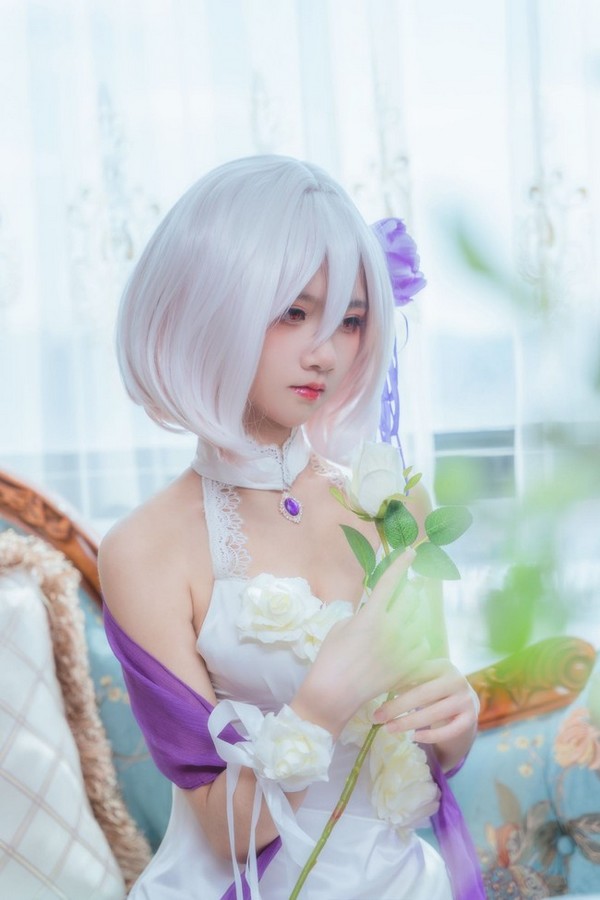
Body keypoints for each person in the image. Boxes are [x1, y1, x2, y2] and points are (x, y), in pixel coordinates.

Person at [99, 155, 483, 899]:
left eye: (349, 321)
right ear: (210, 308)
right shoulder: (145, 549)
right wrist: (319, 708)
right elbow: (224, 829)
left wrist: (454, 724)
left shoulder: (399, 506)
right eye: (293, 313)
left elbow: (417, 737)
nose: (325, 353)